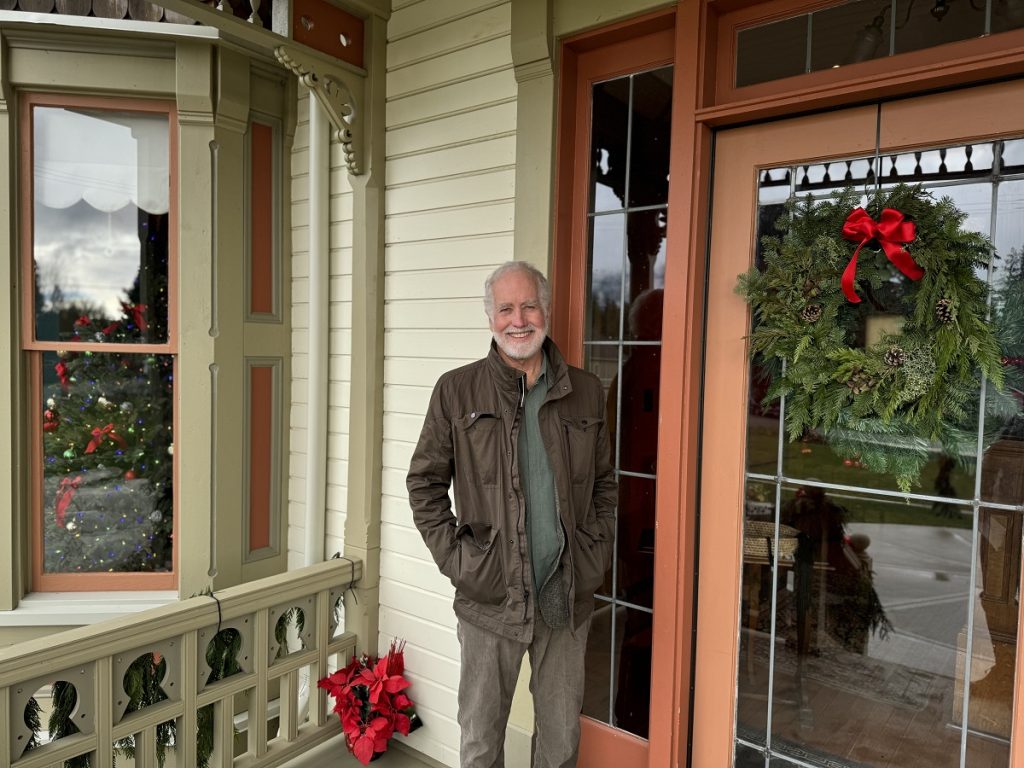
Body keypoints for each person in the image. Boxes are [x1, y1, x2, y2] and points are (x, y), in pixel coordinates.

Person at [407, 261, 617, 768]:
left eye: (529, 305)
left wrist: (593, 554)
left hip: (564, 597)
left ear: (545, 310)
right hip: (489, 600)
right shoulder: (456, 391)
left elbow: (606, 485)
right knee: (481, 743)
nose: (518, 319)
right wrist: (462, 562)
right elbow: (425, 485)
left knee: (561, 743)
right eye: (506, 308)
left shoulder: (587, 391)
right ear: (490, 318)